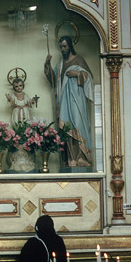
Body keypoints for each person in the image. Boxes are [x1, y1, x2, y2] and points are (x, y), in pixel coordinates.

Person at [44, 36, 94, 168]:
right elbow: (53, 80)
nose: (62, 49)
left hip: (77, 101)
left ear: (70, 46)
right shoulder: (60, 64)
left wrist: (77, 74)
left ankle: (82, 158)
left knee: (78, 126)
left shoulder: (79, 60)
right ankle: (71, 159)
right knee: (66, 128)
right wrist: (47, 65)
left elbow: (90, 78)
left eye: (65, 46)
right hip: (64, 102)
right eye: (61, 47)